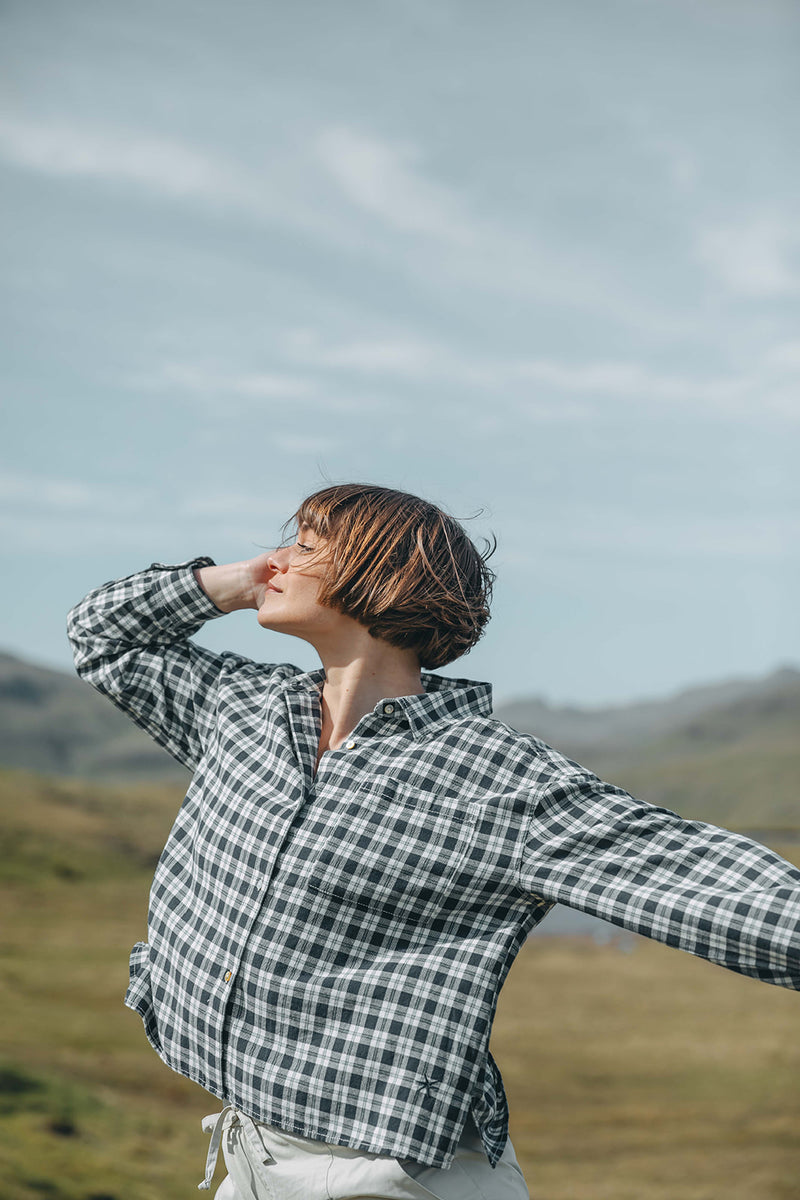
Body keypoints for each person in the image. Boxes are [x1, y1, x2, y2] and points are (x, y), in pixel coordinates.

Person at [67, 482, 800, 1200]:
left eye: (305, 544)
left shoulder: (496, 777)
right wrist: (226, 584)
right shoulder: (239, 710)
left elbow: (690, 873)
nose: (275, 558)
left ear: (381, 578)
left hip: (386, 1176)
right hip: (249, 1152)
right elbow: (101, 632)